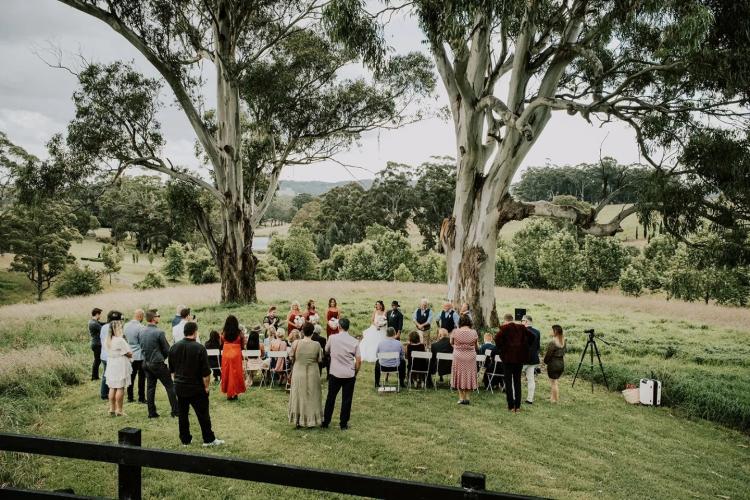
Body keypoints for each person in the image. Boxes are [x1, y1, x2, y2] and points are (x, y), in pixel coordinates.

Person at [168, 321, 224, 447]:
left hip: (180, 386)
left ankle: (185, 439)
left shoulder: (174, 347)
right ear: (195, 332)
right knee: (203, 414)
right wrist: (206, 387)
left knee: (183, 414)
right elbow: (206, 372)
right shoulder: (199, 348)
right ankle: (208, 439)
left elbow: (172, 371)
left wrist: (177, 382)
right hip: (196, 387)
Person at [322, 318, 361, 430]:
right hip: (349, 374)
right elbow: (358, 360)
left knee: (331, 398)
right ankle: (343, 424)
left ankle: (326, 421)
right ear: (348, 327)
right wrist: (355, 372)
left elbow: (326, 350)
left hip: (335, 373)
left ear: (339, 327)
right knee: (347, 399)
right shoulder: (354, 341)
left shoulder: (332, 338)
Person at [139, 309, 179, 418]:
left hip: (146, 363)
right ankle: (176, 411)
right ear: (153, 318)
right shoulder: (159, 332)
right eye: (158, 315)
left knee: (150, 388)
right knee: (170, 386)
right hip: (157, 363)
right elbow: (167, 350)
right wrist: (163, 357)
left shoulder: (141, 331)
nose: (159, 317)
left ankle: (152, 413)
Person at [495, 313, 534, 412]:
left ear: (505, 320)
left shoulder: (504, 329)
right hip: (519, 359)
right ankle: (518, 406)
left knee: (508, 382)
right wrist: (524, 347)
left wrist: (502, 350)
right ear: (512, 319)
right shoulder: (521, 327)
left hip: (508, 359)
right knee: (517, 382)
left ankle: (511, 406)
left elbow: (497, 340)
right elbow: (532, 337)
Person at [288, 322, 324, 427]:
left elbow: (291, 357)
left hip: (298, 370)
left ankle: (298, 420)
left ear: (303, 331)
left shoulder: (296, 343)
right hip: (313, 371)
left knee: (298, 395)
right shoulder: (317, 345)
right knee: (313, 395)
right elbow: (319, 359)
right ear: (312, 332)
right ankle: (312, 420)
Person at [103, 320, 133, 416]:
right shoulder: (120, 340)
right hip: (120, 363)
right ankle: (119, 410)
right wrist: (130, 355)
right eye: (120, 327)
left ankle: (112, 408)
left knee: (112, 387)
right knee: (120, 387)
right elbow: (128, 352)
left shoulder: (107, 340)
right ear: (117, 329)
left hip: (111, 363)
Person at [450, 315, 478, 405]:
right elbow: (476, 346)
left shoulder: (455, 331)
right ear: (469, 322)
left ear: (460, 322)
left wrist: (457, 347)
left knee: (459, 374)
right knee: (469, 375)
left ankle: (461, 398)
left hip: (458, 356)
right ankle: (468, 398)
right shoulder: (474, 332)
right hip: (470, 356)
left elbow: (451, 342)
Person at [220, 315, 246, 400]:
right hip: (236, 354)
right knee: (236, 374)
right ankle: (235, 393)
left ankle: (228, 393)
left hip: (226, 353)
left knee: (227, 373)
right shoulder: (239, 333)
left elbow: (221, 342)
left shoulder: (223, 332)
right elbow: (243, 344)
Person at [99, 311, 123, 401]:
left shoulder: (104, 327)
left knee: (106, 374)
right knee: (107, 374)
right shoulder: (113, 327)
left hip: (104, 354)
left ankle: (107, 392)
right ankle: (105, 393)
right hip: (109, 355)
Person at [124, 309, 146, 403]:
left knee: (131, 377)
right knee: (141, 377)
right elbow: (143, 342)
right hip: (140, 355)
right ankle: (141, 398)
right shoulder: (141, 327)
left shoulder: (126, 325)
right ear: (140, 316)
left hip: (130, 354)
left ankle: (130, 397)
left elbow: (124, 338)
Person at [544, 325, 567, 403]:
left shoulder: (553, 342)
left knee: (553, 383)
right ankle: (552, 398)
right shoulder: (564, 340)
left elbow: (548, 354)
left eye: (551, 330)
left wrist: (545, 361)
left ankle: (554, 400)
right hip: (561, 363)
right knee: (555, 381)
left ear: (555, 331)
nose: (550, 331)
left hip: (553, 364)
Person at [522, 315, 541, 405]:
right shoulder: (537, 332)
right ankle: (530, 399)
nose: (521, 322)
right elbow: (538, 347)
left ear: (526, 321)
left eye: (522, 320)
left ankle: (514, 397)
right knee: (531, 379)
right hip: (533, 359)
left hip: (523, 359)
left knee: (515, 378)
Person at [89, 308, 104, 381]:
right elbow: (102, 329)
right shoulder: (94, 323)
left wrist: (109, 322)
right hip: (97, 344)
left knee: (97, 360)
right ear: (97, 314)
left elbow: (102, 323)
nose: (100, 316)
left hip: (95, 343)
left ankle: (95, 376)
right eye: (100, 314)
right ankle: (94, 377)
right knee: (97, 361)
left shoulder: (93, 321)